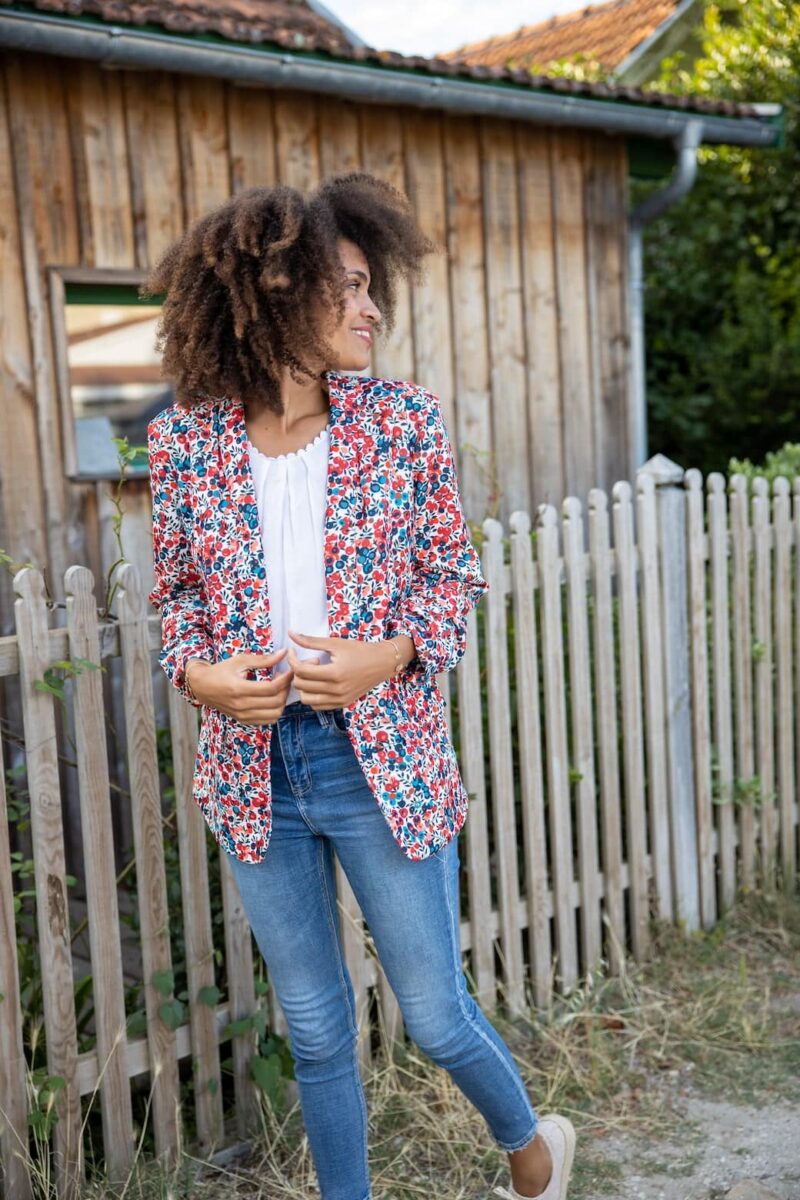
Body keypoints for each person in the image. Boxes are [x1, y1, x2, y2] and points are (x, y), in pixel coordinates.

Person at [145, 172, 576, 1200]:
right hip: (255, 772)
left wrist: (390, 656)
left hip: (379, 758)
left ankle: (532, 1153)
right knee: (315, 1026)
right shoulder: (183, 442)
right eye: (343, 287)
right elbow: (177, 600)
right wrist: (200, 673)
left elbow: (449, 579)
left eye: (369, 285)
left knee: (430, 1011)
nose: (369, 306)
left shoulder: (401, 422)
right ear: (272, 293)